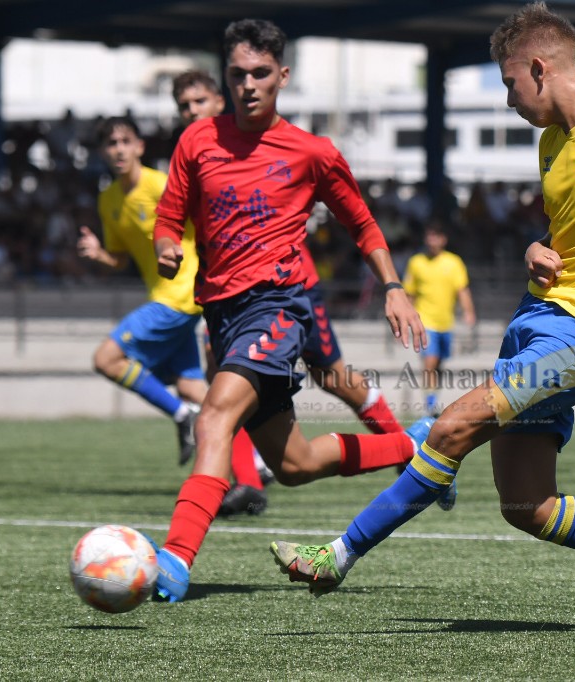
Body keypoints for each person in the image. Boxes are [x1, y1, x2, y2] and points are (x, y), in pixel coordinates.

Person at [269, 1, 575, 637]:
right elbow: (572, 232)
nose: (508, 99)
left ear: (540, 68)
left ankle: (339, 555)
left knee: (452, 426)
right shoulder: (552, 143)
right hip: (536, 320)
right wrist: (535, 250)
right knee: (527, 505)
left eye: (509, 82)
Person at [150, 18, 440, 603]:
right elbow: (168, 214)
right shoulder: (197, 141)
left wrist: (392, 286)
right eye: (238, 74)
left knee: (213, 418)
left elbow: (363, 224)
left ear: (282, 76)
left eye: (261, 73)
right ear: (226, 77)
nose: (248, 85)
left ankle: (175, 558)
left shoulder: (312, 152)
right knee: (295, 465)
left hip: (278, 307)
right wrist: (166, 245)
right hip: (222, 315)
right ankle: (413, 446)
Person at [169, 69, 408, 518]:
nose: (191, 112)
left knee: (331, 377)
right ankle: (248, 481)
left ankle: (403, 448)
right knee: (230, 390)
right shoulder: (197, 152)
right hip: (226, 300)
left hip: (288, 295)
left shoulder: (274, 145)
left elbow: (350, 219)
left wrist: (393, 286)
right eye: (184, 106)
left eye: (199, 102)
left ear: (221, 101)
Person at [77, 116, 205, 466]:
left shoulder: (161, 185)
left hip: (180, 295)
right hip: (164, 296)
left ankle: (182, 415)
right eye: (111, 144)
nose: (119, 150)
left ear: (140, 147)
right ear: (103, 152)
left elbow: (204, 223)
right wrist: (99, 254)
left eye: (125, 142)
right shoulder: (108, 200)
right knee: (193, 388)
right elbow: (120, 259)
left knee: (106, 359)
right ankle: (257, 461)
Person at [402, 219, 476, 416]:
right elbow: (409, 293)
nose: (432, 240)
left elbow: (462, 290)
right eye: (429, 236)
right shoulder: (416, 262)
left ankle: (433, 397)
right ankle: (430, 405)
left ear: (443, 239)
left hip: (445, 323)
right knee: (430, 361)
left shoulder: (454, 262)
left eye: (436, 236)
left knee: (439, 364)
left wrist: (469, 312)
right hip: (425, 321)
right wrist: (405, 317)